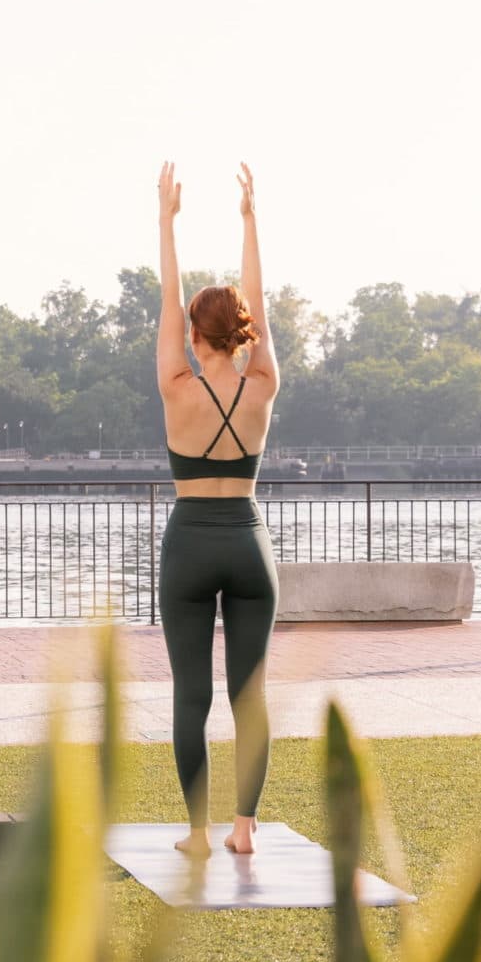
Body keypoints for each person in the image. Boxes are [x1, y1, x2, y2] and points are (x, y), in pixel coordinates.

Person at [155, 161, 280, 856]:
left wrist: (167, 222)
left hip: (190, 545)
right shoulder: (262, 382)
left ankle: (200, 833)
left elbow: (168, 302)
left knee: (190, 697)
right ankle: (243, 829)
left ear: (196, 339)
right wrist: (250, 220)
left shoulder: (177, 383)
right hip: (249, 541)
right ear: (242, 333)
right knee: (248, 697)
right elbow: (259, 301)